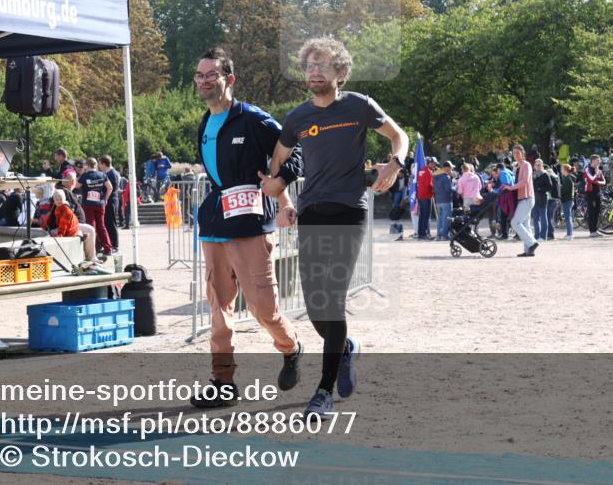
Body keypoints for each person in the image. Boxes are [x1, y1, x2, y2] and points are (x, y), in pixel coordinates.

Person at [266, 37, 408, 420]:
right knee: (314, 306)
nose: (314, 71)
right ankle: (344, 349)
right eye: (309, 65)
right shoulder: (297, 118)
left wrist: (395, 163)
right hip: (311, 211)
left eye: (323, 65)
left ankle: (323, 392)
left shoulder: (359, 106)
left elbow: (399, 135)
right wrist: (279, 191)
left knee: (332, 298)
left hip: (349, 210)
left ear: (340, 73)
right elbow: (278, 159)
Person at [186, 46, 304, 408]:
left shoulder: (253, 119)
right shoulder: (205, 123)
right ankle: (222, 383)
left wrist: (278, 187)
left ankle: (291, 347)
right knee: (219, 307)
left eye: (212, 75)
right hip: (214, 222)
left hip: (251, 223)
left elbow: (294, 153)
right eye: (200, 76)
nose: (205, 82)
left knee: (262, 307)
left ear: (229, 79)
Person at [41, 189, 97, 263]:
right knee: (90, 230)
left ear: (64, 198)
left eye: (60, 199)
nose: (58, 201)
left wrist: (60, 234)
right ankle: (91, 258)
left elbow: (64, 223)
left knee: (90, 230)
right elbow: (61, 224)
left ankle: (91, 258)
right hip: (62, 227)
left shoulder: (64, 207)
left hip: (70, 227)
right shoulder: (60, 204)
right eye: (56, 199)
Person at [504, 144, 537, 257]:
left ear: (523, 154)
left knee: (515, 222)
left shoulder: (526, 165)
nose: (516, 155)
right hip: (523, 198)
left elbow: (525, 181)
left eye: (518, 153)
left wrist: (511, 188)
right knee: (525, 225)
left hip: (527, 198)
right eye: (514, 153)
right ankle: (529, 250)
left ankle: (532, 243)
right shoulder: (517, 167)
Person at [76, 158, 114, 256]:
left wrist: (82, 173)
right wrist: (105, 199)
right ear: (95, 165)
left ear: (87, 166)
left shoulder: (84, 176)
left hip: (88, 204)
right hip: (100, 204)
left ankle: (94, 249)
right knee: (101, 226)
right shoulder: (102, 174)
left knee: (91, 227)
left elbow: (76, 186)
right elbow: (110, 188)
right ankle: (108, 248)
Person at [97, 155, 121, 253]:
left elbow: (111, 189)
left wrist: (105, 199)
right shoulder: (106, 173)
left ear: (103, 163)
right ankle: (109, 243)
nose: (98, 165)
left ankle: (115, 245)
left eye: (99, 163)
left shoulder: (112, 174)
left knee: (111, 223)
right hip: (108, 201)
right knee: (106, 223)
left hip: (111, 201)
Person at [582, 154, 606, 237]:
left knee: (597, 211)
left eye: (599, 161)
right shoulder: (587, 169)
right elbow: (591, 179)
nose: (599, 162)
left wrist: (598, 182)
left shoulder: (598, 169)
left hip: (597, 193)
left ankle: (595, 230)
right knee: (591, 211)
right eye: (598, 160)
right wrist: (596, 174)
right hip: (590, 193)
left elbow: (604, 182)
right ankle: (591, 231)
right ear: (593, 161)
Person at [531, 159, 552, 241]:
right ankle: (536, 235)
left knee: (543, 217)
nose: (538, 166)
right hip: (534, 198)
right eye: (536, 165)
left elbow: (550, 186)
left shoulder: (545, 174)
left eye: (539, 165)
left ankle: (543, 236)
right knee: (535, 218)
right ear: (534, 166)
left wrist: (540, 189)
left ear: (542, 166)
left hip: (542, 198)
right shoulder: (533, 174)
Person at [433, 161, 454, 240]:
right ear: (447, 167)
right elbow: (448, 189)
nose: (451, 169)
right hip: (446, 200)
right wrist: (455, 189)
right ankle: (444, 235)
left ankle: (439, 235)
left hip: (438, 200)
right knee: (446, 218)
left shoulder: (435, 175)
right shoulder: (446, 177)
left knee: (440, 219)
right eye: (451, 168)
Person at [416, 157, 436, 240]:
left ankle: (421, 233)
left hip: (420, 195)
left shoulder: (421, 171)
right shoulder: (429, 172)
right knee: (427, 216)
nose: (435, 165)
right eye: (434, 163)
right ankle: (425, 234)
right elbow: (429, 185)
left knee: (422, 215)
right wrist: (435, 190)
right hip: (427, 196)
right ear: (429, 163)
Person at [558, 163, 576, 240]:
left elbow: (563, 191)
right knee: (569, 217)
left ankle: (570, 234)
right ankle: (570, 233)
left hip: (567, 200)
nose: (561, 170)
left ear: (565, 170)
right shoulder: (569, 178)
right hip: (569, 200)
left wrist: (559, 189)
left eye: (562, 169)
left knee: (568, 217)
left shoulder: (567, 179)